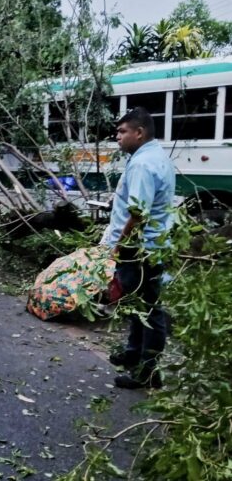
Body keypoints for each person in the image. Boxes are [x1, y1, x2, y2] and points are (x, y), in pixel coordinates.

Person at [104, 107, 175, 389]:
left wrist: (119, 246)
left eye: (122, 132)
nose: (117, 137)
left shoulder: (143, 164)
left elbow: (138, 213)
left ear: (139, 133)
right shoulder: (154, 156)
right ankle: (134, 354)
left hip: (140, 248)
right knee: (137, 304)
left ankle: (147, 371)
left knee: (149, 309)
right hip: (152, 245)